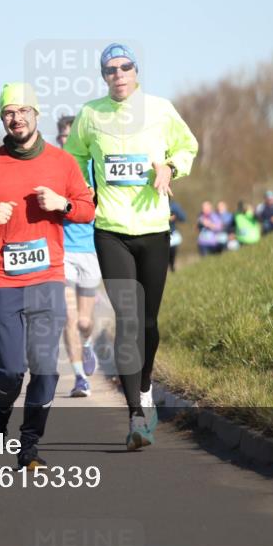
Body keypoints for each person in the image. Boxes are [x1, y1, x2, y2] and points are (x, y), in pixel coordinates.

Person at [65, 43, 198, 450]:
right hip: (110, 230)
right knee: (128, 319)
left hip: (154, 229)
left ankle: (143, 387)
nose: (118, 74)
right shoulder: (90, 114)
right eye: (110, 69)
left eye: (125, 67)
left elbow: (187, 146)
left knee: (149, 324)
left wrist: (169, 166)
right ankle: (136, 416)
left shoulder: (160, 109)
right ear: (103, 76)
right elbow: (74, 159)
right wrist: (86, 190)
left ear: (136, 72)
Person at [0, 82, 94, 470]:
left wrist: (63, 203)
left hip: (47, 276)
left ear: (36, 115)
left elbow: (87, 209)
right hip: (2, 277)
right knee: (10, 369)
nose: (15, 118)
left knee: (46, 367)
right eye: (8, 113)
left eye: (22, 111)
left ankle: (30, 446)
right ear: (2, 118)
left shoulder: (62, 162)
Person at [56, 115, 100, 398]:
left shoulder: (95, 166)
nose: (66, 141)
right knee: (68, 318)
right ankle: (79, 377)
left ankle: (86, 345)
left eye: (71, 136)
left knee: (84, 322)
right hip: (62, 252)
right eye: (62, 137)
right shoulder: (51, 169)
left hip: (92, 250)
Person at [168, 199, 187, 272]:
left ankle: (172, 267)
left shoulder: (174, 206)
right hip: (157, 235)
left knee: (172, 253)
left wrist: (175, 216)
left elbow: (183, 218)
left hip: (172, 235)